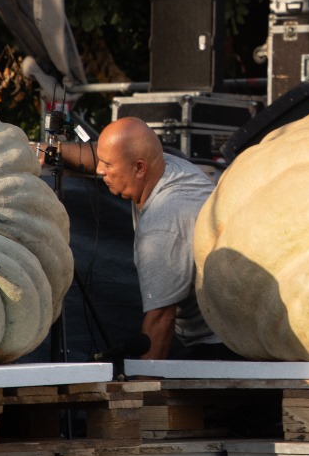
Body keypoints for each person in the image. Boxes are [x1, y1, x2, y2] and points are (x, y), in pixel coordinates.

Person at [54, 117, 235, 360]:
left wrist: (141, 388)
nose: (99, 170)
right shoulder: (167, 166)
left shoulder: (162, 225)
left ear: (139, 168)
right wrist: (53, 151)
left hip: (221, 347)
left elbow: (162, 318)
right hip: (225, 329)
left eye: (107, 164)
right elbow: (104, 157)